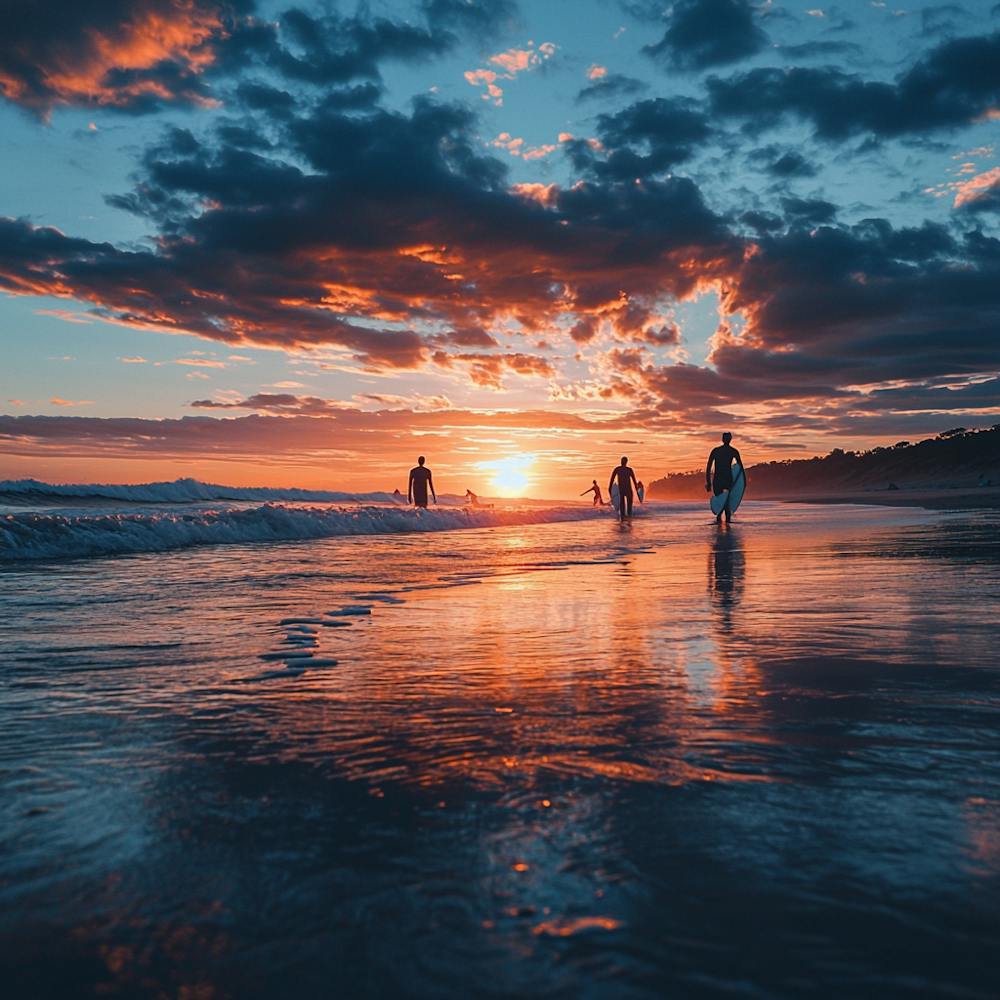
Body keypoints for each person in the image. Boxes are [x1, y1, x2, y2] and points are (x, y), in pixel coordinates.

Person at [705, 432, 744, 524]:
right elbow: (740, 468)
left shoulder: (716, 451)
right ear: (730, 439)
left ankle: (720, 528)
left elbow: (708, 467)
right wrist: (742, 483)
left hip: (718, 479)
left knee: (720, 502)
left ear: (723, 439)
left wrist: (708, 482)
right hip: (727, 479)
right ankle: (727, 527)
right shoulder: (733, 451)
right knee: (726, 503)